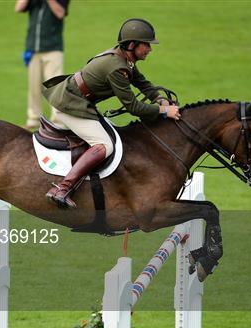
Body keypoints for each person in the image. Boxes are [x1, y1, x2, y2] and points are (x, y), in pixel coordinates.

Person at [42, 18, 181, 209]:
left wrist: (159, 98)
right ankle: (62, 189)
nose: (150, 49)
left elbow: (142, 82)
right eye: (146, 45)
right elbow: (134, 107)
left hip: (78, 100)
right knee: (104, 145)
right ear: (132, 45)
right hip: (70, 105)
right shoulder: (117, 68)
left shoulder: (124, 59)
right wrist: (165, 110)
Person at [15, 0, 70, 129]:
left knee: (55, 86)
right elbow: (18, 7)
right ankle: (34, 119)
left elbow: (60, 13)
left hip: (53, 48)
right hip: (33, 49)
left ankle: (58, 121)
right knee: (34, 86)